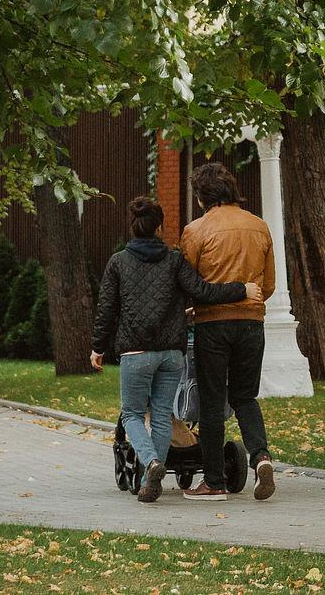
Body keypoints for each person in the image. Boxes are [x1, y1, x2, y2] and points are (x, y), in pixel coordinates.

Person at [90, 196, 260, 503]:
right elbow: (202, 291)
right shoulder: (174, 260)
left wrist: (98, 348)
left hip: (135, 352)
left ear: (133, 226)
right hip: (172, 353)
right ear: (160, 227)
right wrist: (242, 289)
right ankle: (147, 482)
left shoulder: (118, 262)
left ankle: (153, 464)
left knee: (131, 413)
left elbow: (106, 310)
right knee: (161, 415)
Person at [180, 159, 279, 500]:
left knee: (210, 402)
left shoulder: (195, 231)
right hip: (252, 322)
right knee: (245, 396)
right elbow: (268, 285)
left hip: (213, 324)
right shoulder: (260, 226)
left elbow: (188, 283)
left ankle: (214, 482)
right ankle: (261, 456)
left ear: (201, 197)